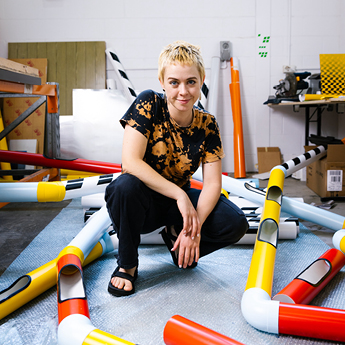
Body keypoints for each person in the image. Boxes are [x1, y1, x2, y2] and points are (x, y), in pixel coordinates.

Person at [105, 40, 248, 297]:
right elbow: (131, 163)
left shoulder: (208, 124)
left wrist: (193, 230)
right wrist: (181, 195)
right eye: (174, 82)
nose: (183, 91)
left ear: (201, 80)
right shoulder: (148, 103)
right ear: (162, 81)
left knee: (235, 222)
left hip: (175, 211)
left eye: (191, 82)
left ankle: (176, 238)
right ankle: (127, 265)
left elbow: (214, 184)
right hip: (143, 201)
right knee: (124, 186)